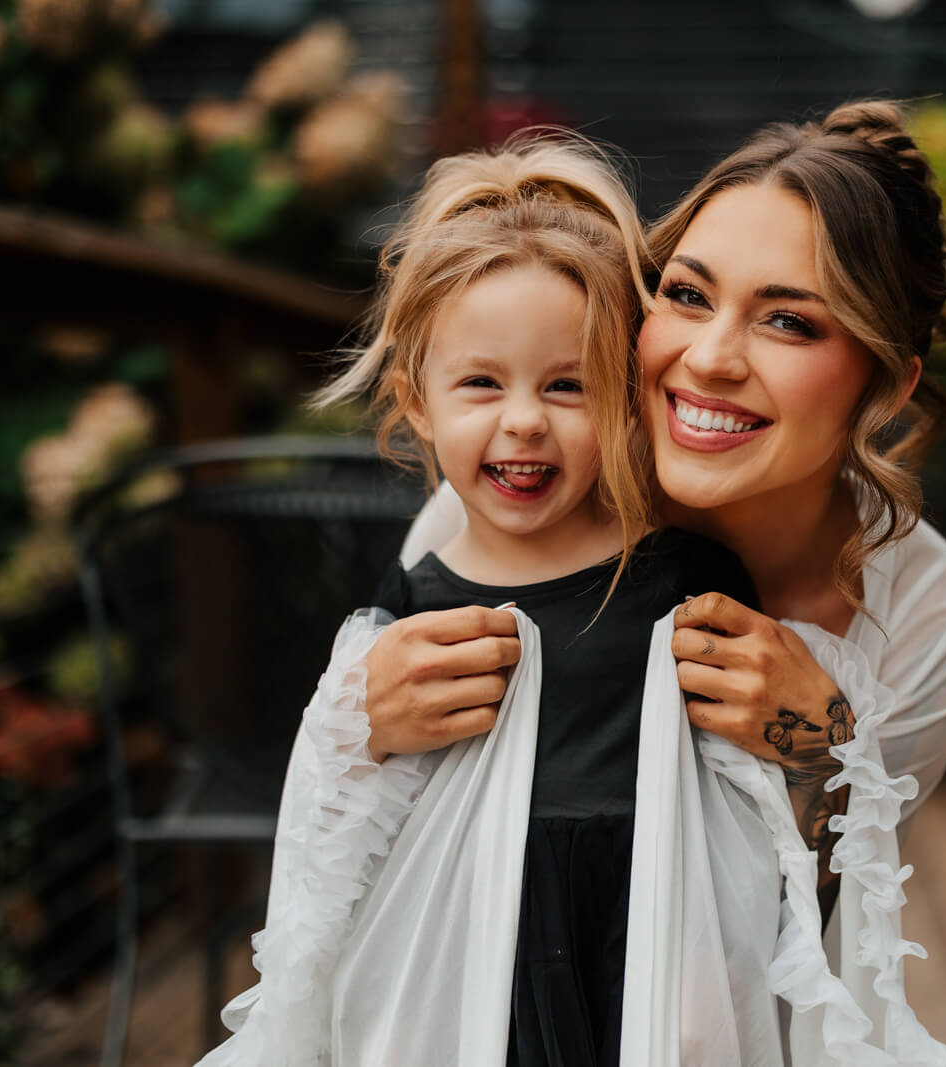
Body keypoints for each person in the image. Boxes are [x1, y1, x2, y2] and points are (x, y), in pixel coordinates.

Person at [374, 98, 946, 1047]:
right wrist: (362, 719)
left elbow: (812, 936)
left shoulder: (934, 620)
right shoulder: (520, 491)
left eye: (789, 321)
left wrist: (825, 746)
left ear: (886, 382)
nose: (708, 359)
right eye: (687, 293)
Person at [197, 133, 778, 1067]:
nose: (522, 420)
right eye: (480, 383)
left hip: (636, 958)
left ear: (626, 402)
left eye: (567, 385)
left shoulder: (680, 581)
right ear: (415, 402)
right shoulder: (413, 603)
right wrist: (366, 727)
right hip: (463, 970)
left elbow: (744, 810)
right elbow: (350, 808)